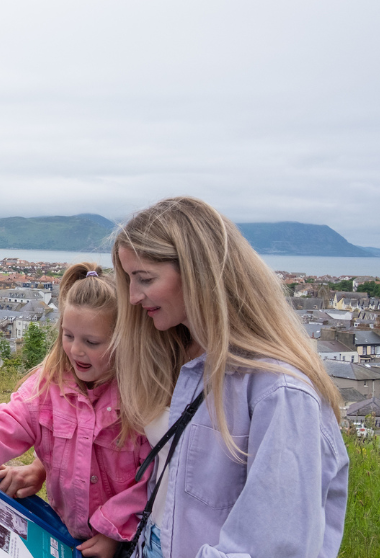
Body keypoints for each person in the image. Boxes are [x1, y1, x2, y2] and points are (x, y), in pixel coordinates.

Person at [111, 197, 347, 558]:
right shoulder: (176, 353)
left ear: (198, 273)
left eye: (144, 279)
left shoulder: (280, 391)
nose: (132, 297)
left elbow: (274, 545)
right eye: (129, 279)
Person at [0, 263, 149, 558]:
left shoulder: (140, 398)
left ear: (124, 340)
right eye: (68, 336)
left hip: (128, 540)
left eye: (91, 342)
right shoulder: (49, 385)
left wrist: (112, 531)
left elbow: (152, 479)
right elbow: (9, 420)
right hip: (66, 531)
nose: (76, 350)